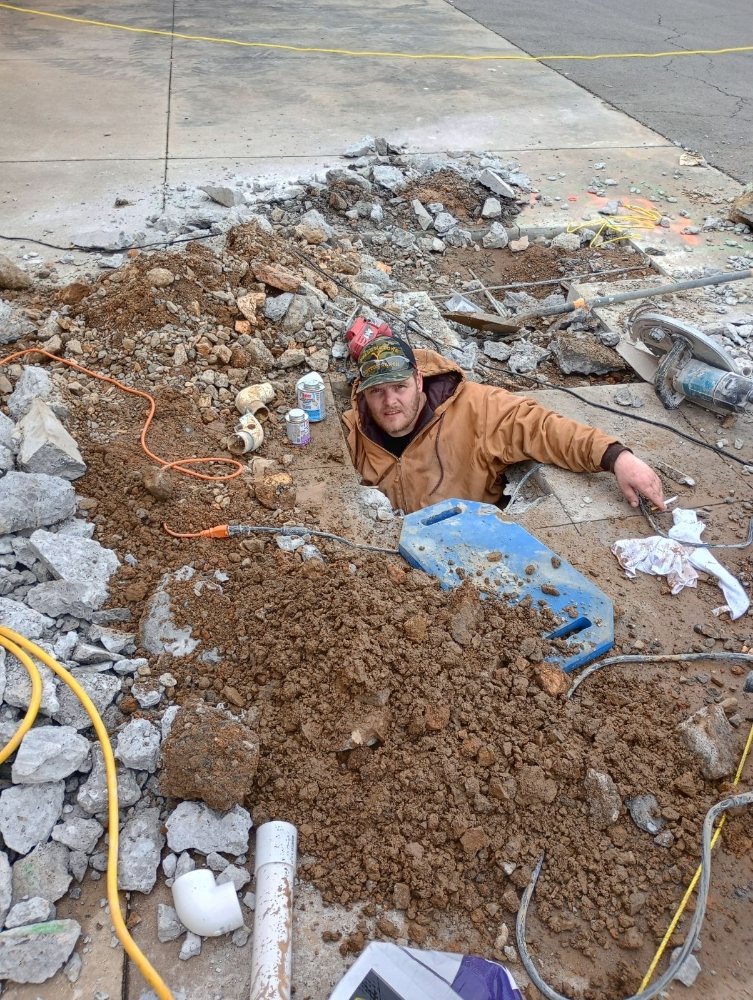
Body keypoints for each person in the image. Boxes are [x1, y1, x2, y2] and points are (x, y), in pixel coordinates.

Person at [341, 335, 666, 515]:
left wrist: (617, 457)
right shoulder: (355, 430)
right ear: (363, 393)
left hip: (469, 551)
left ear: (418, 380)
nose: (389, 403)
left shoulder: (479, 410)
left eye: (399, 388)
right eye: (377, 392)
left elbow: (544, 429)